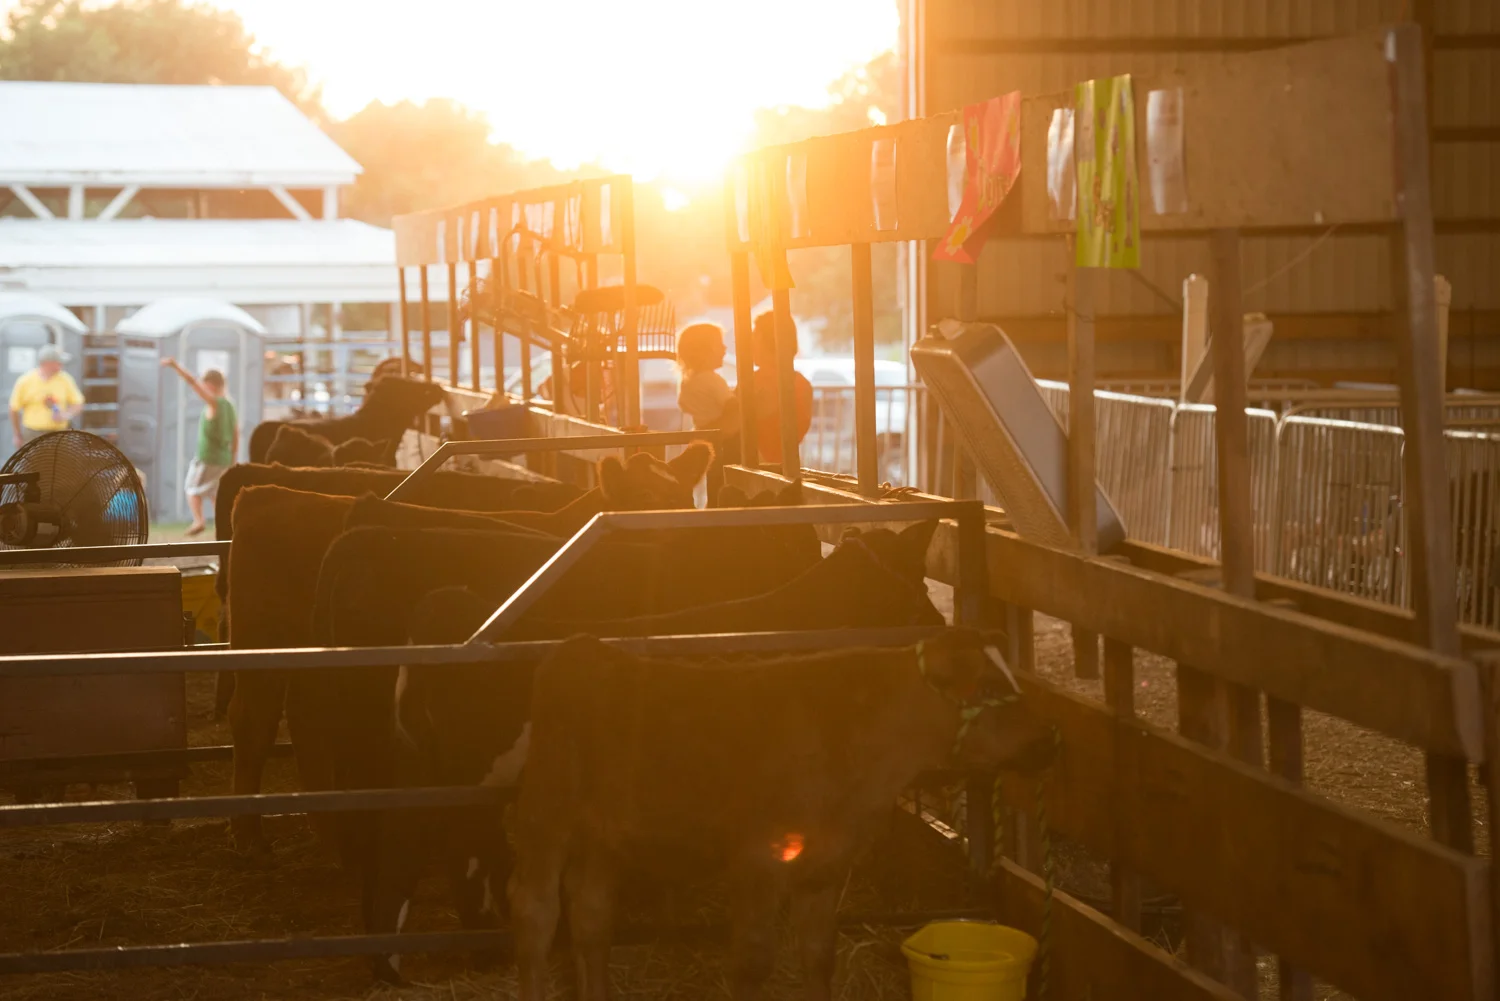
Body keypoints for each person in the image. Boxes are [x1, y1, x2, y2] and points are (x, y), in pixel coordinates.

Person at [161, 358, 238, 537]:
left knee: (191, 489)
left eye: (205, 385)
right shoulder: (231, 406)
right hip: (224, 459)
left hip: (208, 458)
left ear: (210, 385)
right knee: (215, 495)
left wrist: (175, 366)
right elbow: (236, 434)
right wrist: (233, 459)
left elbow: (192, 382)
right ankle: (225, 526)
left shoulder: (215, 403)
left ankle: (199, 520)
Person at [750, 310, 812, 469]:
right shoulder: (801, 383)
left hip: (758, 467)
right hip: (787, 466)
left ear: (769, 341)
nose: (750, 344)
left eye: (754, 337)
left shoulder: (755, 382)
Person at [9, 344, 83, 450]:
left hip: (59, 434)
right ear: (48, 363)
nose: (61, 365)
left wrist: (66, 414)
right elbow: (13, 409)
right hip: (32, 434)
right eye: (58, 362)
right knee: (34, 465)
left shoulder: (65, 379)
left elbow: (78, 403)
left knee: (60, 465)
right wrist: (17, 434)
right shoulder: (25, 381)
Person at [675, 322, 739, 433]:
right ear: (703, 351)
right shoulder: (711, 379)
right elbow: (732, 405)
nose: (725, 347)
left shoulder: (688, 382)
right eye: (719, 344)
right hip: (724, 434)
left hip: (702, 431)